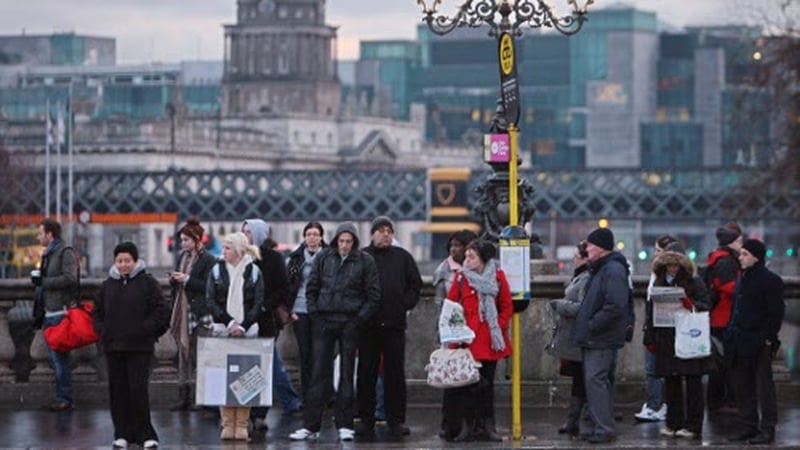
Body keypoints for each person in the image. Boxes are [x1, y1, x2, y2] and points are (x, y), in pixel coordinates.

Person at [289, 222, 380, 442]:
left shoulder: (365, 261)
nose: (345, 245)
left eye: (349, 241)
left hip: (349, 321)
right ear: (336, 240)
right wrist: (316, 314)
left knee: (347, 374)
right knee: (318, 373)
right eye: (342, 241)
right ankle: (311, 426)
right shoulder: (324, 258)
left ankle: (345, 424)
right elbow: (311, 289)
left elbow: (373, 295)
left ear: (354, 242)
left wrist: (358, 320)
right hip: (324, 320)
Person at [93, 241, 170, 449]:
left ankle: (146, 434)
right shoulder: (107, 286)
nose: (123, 265)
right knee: (118, 392)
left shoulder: (147, 283)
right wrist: (103, 331)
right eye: (119, 261)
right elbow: (97, 312)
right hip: (114, 346)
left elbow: (161, 311)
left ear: (135, 261)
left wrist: (146, 330)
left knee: (138, 391)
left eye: (127, 261)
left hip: (139, 347)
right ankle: (122, 434)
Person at [356, 216, 422, 439]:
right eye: (381, 230)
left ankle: (396, 420)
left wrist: (403, 304)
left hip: (394, 324)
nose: (385, 234)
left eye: (389, 231)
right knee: (366, 373)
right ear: (372, 233)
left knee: (395, 375)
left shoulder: (402, 257)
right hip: (368, 325)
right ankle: (366, 419)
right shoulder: (362, 256)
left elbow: (415, 285)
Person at [443, 239, 512, 442]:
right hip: (467, 340)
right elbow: (451, 304)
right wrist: (458, 330)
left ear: (483, 259)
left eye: (471, 256)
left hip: (490, 340)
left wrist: (497, 325)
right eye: (467, 256)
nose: (467, 260)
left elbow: (506, 305)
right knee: (466, 385)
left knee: (487, 385)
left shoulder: (497, 276)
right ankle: (468, 426)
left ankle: (487, 425)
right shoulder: (461, 278)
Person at [570, 227, 633, 444]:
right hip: (597, 336)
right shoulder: (604, 268)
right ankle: (600, 426)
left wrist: (593, 324)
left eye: (589, 245)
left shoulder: (612, 270)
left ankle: (604, 428)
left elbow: (615, 305)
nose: (586, 249)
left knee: (596, 381)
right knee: (597, 383)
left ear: (601, 248)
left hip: (601, 337)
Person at [644, 244, 711, 439]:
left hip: (688, 335)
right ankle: (673, 423)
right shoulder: (659, 282)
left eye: (675, 265)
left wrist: (692, 305)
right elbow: (650, 311)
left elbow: (706, 305)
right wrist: (650, 336)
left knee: (693, 381)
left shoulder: (694, 282)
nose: (672, 268)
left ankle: (693, 425)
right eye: (669, 265)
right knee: (671, 381)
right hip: (665, 337)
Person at [241, 219, 302, 430]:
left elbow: (282, 288)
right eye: (243, 231)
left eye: (249, 231)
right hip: (244, 321)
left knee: (263, 367)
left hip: (266, 320)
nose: (246, 235)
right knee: (259, 365)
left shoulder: (273, 258)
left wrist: (265, 306)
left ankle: (259, 413)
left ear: (258, 234)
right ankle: (287, 401)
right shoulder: (240, 255)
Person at [205, 232, 264, 441]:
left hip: (247, 331)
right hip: (223, 329)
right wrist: (230, 323)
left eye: (228, 247)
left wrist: (244, 324)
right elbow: (210, 301)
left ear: (239, 250)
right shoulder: (216, 271)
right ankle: (227, 424)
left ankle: (241, 425)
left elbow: (258, 303)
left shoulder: (254, 271)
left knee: (245, 379)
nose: (224, 251)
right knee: (224, 379)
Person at [726, 239, 785, 445]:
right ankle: (748, 426)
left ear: (756, 257)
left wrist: (769, 338)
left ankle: (767, 428)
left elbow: (776, 313)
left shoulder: (770, 280)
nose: (740, 258)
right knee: (743, 388)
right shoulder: (743, 278)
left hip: (758, 341)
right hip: (739, 339)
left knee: (764, 388)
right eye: (740, 254)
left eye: (744, 254)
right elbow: (737, 309)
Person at [432, 229, 478, 438]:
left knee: (471, 381)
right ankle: (449, 425)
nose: (454, 249)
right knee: (451, 382)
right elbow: (439, 303)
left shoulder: (477, 268)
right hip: (452, 332)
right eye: (452, 245)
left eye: (459, 245)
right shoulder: (444, 270)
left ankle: (471, 424)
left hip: (473, 332)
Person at [167, 216, 216, 411]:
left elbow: (210, 287)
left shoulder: (208, 260)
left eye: (186, 240)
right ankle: (184, 397)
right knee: (183, 354)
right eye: (181, 239)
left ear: (197, 240)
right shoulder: (182, 257)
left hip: (199, 313)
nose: (182, 243)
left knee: (201, 356)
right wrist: (174, 280)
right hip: (182, 309)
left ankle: (201, 398)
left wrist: (187, 279)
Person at [31, 218, 79, 411]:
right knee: (57, 360)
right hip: (49, 312)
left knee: (60, 360)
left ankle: (65, 399)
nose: (38, 236)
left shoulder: (64, 252)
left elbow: (70, 278)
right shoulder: (49, 253)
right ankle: (62, 397)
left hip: (60, 312)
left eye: (40, 233)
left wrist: (44, 282)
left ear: (50, 234)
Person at [547, 241, 591, 437]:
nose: (574, 258)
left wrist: (560, 305)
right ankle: (572, 420)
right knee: (578, 379)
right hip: (572, 336)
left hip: (578, 336)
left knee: (582, 380)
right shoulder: (580, 276)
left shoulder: (586, 278)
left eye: (577, 255)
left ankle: (575, 421)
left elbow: (582, 307)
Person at [634, 235, 677, 423]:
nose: (656, 255)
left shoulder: (664, 277)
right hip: (656, 328)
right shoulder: (658, 274)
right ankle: (660, 405)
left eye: (658, 251)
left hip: (661, 330)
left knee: (655, 369)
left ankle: (655, 405)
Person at [286, 221, 326, 400]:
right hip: (300, 309)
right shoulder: (295, 258)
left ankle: (322, 393)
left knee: (321, 353)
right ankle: (307, 395)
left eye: (315, 234)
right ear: (304, 237)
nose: (312, 238)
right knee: (304, 353)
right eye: (309, 234)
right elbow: (287, 285)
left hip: (320, 309)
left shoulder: (327, 257)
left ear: (321, 238)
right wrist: (289, 310)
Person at [706, 222, 743, 412]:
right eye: (738, 241)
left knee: (720, 363)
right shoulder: (727, 262)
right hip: (725, 318)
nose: (741, 244)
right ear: (730, 242)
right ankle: (723, 401)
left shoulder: (719, 259)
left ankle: (718, 401)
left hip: (719, 318)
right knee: (726, 364)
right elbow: (729, 288)